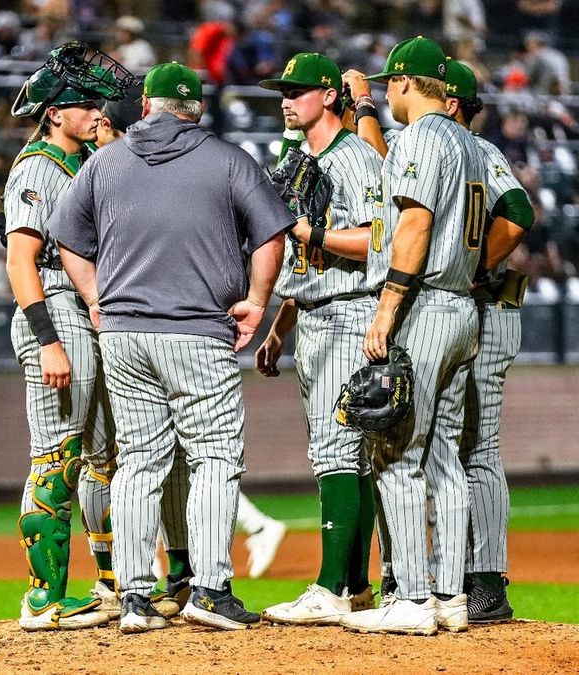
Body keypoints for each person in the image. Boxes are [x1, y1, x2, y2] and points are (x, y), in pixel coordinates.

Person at [50, 61, 290, 633]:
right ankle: (209, 589)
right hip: (198, 331)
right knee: (214, 457)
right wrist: (257, 300)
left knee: (138, 460)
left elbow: (66, 237)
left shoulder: (105, 162)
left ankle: (133, 596)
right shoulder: (227, 159)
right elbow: (272, 233)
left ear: (145, 108)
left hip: (125, 337)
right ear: (197, 110)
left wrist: (93, 300)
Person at [337, 36, 485, 636]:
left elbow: (416, 221)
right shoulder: (468, 144)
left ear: (400, 84)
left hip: (423, 305)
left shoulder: (422, 136)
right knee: (446, 454)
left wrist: (387, 306)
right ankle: (450, 595)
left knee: (394, 449)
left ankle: (413, 599)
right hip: (463, 308)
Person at [1, 42, 133, 632]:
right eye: (84, 103)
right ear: (54, 111)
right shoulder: (35, 168)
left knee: (102, 454)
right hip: (55, 308)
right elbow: (20, 260)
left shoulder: (79, 162)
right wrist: (47, 339)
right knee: (55, 456)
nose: (96, 111)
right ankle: (43, 598)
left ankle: (109, 586)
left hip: (85, 312)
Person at [253, 52, 382, 626]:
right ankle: (355, 587)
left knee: (339, 453)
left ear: (329, 95)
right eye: (283, 90)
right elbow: (301, 257)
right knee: (348, 458)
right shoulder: (302, 158)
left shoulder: (354, 158)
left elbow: (381, 240)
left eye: (298, 90)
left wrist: (313, 230)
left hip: (351, 312)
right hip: (312, 312)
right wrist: (281, 325)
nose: (286, 99)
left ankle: (332, 587)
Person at [441, 58, 533, 624]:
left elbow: (519, 214)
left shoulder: (480, 153)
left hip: (488, 307)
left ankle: (488, 580)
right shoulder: (455, 155)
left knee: (479, 447)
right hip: (470, 309)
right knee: (457, 444)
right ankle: (459, 572)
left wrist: (475, 266)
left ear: (451, 103)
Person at [523, 30, 570, 96]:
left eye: (529, 44)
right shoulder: (558, 54)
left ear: (536, 43)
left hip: (544, 96)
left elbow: (528, 78)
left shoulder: (536, 56)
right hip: (562, 94)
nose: (527, 47)